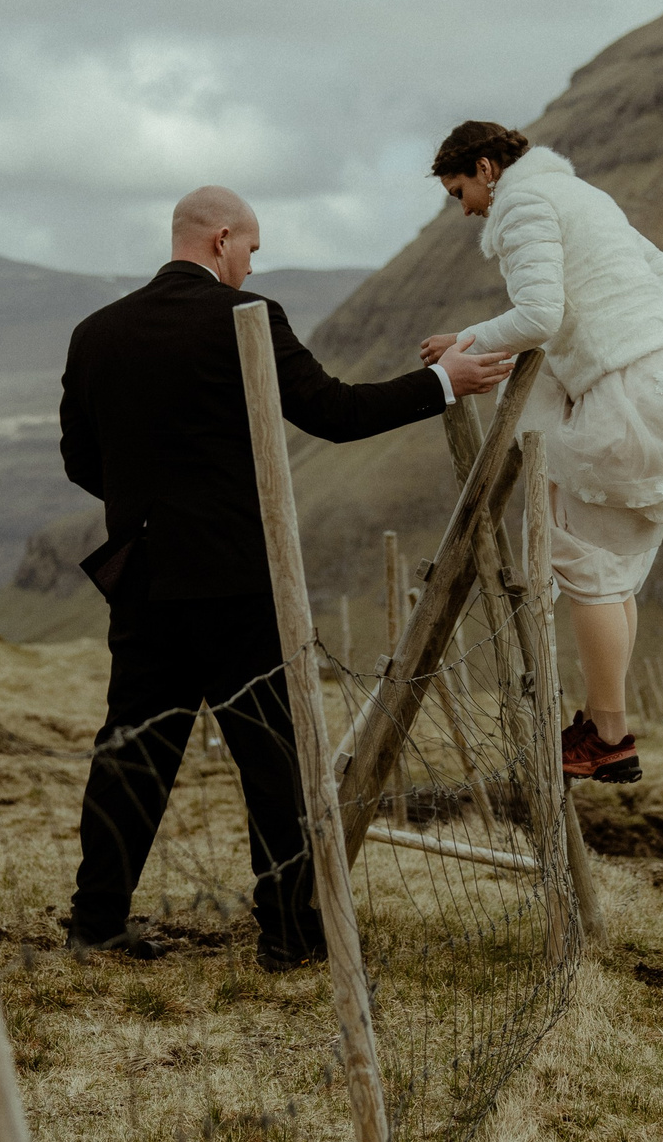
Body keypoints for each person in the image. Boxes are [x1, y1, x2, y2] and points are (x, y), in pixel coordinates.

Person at [60, 185, 516, 971]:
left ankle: (95, 921)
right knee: (273, 759)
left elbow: (79, 460)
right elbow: (332, 412)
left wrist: (155, 507)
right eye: (250, 250)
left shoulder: (97, 332)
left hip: (144, 576)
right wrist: (447, 385)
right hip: (239, 578)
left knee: (131, 751)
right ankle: (289, 935)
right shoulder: (248, 317)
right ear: (221, 239)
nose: (249, 265)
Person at [419, 121, 663, 784]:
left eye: (460, 190)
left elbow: (540, 315)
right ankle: (608, 727)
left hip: (622, 393)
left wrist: (470, 342)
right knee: (610, 566)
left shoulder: (522, 201)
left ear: (487, 168)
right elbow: (660, 276)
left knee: (582, 565)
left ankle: (609, 735)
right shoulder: (581, 194)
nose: (464, 209)